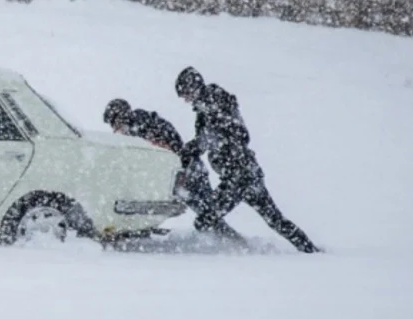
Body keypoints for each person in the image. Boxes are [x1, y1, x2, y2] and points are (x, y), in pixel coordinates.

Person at [174, 66, 320, 253]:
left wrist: (197, 146)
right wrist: (190, 152)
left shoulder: (214, 102)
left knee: (206, 218)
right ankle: (310, 251)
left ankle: (231, 250)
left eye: (185, 93)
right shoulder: (206, 110)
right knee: (275, 220)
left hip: (238, 176)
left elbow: (237, 135)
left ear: (193, 88)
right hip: (246, 174)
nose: (184, 99)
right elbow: (207, 141)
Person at [103, 99, 245, 244]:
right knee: (208, 211)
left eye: (114, 124)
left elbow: (164, 149)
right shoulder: (144, 123)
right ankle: (229, 238)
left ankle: (232, 241)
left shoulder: (139, 128)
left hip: (187, 172)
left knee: (207, 211)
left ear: (120, 117)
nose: (115, 130)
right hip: (189, 169)